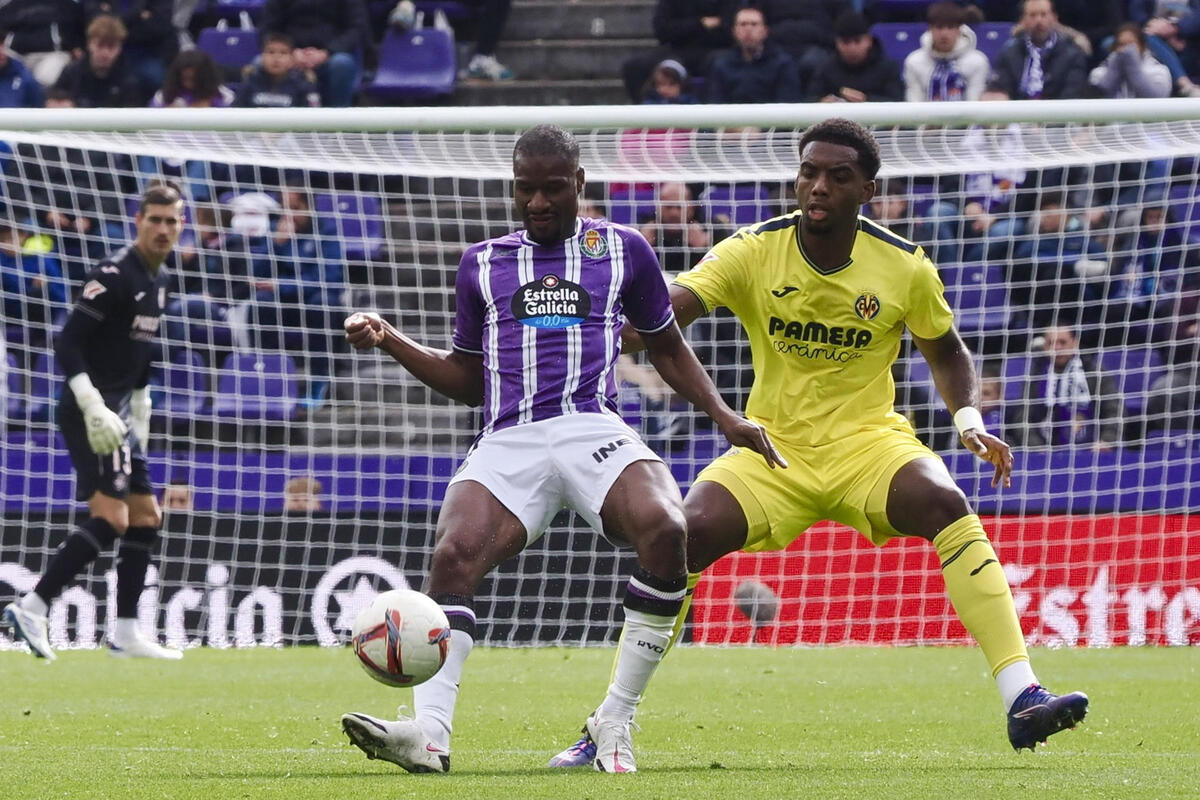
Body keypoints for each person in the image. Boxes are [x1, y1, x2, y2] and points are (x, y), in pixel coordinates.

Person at [549, 118, 1088, 769]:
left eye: (837, 175)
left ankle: (1022, 695)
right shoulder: (754, 249)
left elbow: (946, 350)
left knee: (947, 502)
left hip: (869, 446)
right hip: (771, 452)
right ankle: (609, 721)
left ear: (867, 187)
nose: (818, 186)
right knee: (680, 538)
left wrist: (967, 418)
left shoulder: (902, 265)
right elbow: (670, 311)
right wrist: (594, 314)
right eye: (809, 172)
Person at [338, 124, 783, 775]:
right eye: (526, 190)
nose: (538, 203)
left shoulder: (622, 249)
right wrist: (390, 339)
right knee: (452, 555)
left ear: (579, 184)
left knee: (666, 529)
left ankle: (615, 720)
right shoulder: (482, 263)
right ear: (513, 187)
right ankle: (428, 735)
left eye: (553, 189)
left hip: (590, 426)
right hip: (508, 436)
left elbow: (664, 346)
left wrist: (724, 416)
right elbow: (467, 379)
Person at [2, 182, 186, 661]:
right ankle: (34, 606)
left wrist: (140, 407)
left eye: (172, 221)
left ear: (181, 225)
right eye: (155, 220)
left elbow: (141, 350)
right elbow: (68, 343)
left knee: (147, 517)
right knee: (113, 516)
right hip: (89, 412)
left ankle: (125, 632)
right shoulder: (112, 274)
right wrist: (91, 403)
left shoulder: (162, 280)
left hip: (121, 413)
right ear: (137, 221)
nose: (163, 229)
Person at [1017, 323, 1123, 449]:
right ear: (1045, 347)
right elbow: (1022, 418)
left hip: (1093, 451)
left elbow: (1114, 409)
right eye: (1051, 343)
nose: (1057, 348)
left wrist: (1107, 440)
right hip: (1044, 451)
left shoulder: (1094, 372)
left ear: (1074, 344)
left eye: (1062, 342)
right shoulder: (1035, 375)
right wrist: (1036, 447)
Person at [260, 0, 369, 108]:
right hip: (288, 54)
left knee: (342, 64)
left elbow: (357, 28)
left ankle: (339, 121)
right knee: (258, 63)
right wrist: (289, 52)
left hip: (332, 55)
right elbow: (267, 28)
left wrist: (327, 52)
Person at [989, 0, 1088, 100]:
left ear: (1054, 18)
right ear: (1023, 20)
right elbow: (999, 87)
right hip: (1017, 112)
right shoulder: (1009, 52)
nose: (1038, 20)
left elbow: (1072, 94)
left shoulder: (1072, 54)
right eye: (1032, 15)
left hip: (1058, 112)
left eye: (1043, 14)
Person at [707, 6, 802, 104]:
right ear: (734, 31)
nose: (748, 29)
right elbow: (716, 104)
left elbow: (788, 104)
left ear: (765, 31)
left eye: (754, 24)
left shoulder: (783, 64)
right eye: (743, 24)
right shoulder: (721, 65)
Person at [902, 2, 992, 102]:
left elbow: (974, 102)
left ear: (959, 29)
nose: (944, 34)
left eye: (950, 27)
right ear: (930, 28)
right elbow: (914, 104)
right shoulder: (914, 61)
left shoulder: (977, 61)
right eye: (939, 27)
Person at [53, 14, 148, 108]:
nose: (105, 53)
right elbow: (53, 100)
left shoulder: (130, 81)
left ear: (120, 48)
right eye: (100, 45)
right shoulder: (71, 73)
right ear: (89, 44)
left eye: (111, 47)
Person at [807, 11, 904, 102]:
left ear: (869, 41)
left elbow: (898, 102)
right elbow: (810, 100)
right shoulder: (825, 68)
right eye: (846, 42)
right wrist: (821, 102)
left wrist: (867, 100)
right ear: (837, 43)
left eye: (857, 41)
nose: (852, 48)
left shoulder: (888, 68)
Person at [233, 32, 322, 109]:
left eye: (283, 53)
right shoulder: (251, 81)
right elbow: (235, 113)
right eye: (271, 52)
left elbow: (313, 118)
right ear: (262, 56)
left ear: (292, 58)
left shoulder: (303, 85)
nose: (276, 58)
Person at [1088, 23, 1172, 98]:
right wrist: (1114, 70)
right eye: (1121, 44)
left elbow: (1157, 97)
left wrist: (1133, 69)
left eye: (1131, 44)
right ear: (1114, 47)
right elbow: (1096, 99)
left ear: (1143, 47)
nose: (1126, 50)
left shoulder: (1159, 71)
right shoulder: (1099, 73)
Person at [149, 49, 235, 108]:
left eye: (193, 79)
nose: (188, 83)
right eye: (184, 79)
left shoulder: (223, 95)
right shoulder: (163, 95)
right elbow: (149, 120)